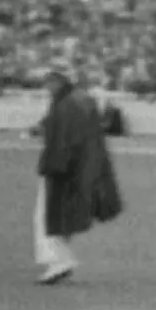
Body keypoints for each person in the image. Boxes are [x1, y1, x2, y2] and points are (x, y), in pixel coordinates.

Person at [34, 70, 122, 285]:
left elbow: (65, 139)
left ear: (56, 82)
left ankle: (59, 260)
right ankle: (59, 258)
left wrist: (55, 164)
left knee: (48, 214)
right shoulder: (78, 101)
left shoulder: (67, 105)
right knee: (61, 214)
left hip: (65, 168)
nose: (46, 88)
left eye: (48, 83)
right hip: (80, 167)